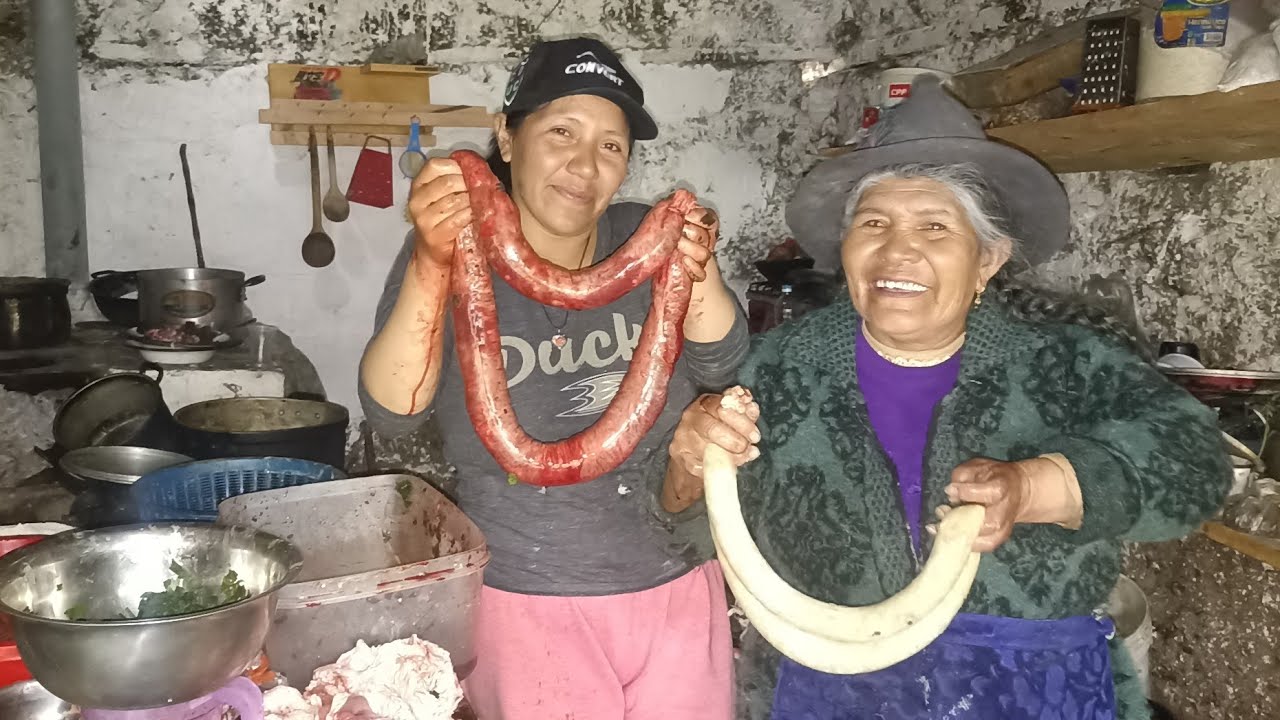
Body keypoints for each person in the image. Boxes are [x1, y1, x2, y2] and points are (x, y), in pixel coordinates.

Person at [664, 76, 1231, 720]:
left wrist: (1034, 487)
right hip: (826, 693)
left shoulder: (1068, 364)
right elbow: (690, 535)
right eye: (874, 223)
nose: (897, 250)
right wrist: (690, 467)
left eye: (934, 226)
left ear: (988, 259)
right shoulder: (777, 371)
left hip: (1035, 695)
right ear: (846, 251)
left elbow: (1196, 467)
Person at [358, 37, 747, 720]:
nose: (585, 165)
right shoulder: (452, 243)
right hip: (523, 598)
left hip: (676, 581)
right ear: (507, 137)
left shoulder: (645, 235)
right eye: (562, 132)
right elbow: (394, 412)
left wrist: (701, 269)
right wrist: (429, 260)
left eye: (611, 145)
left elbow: (722, 363)